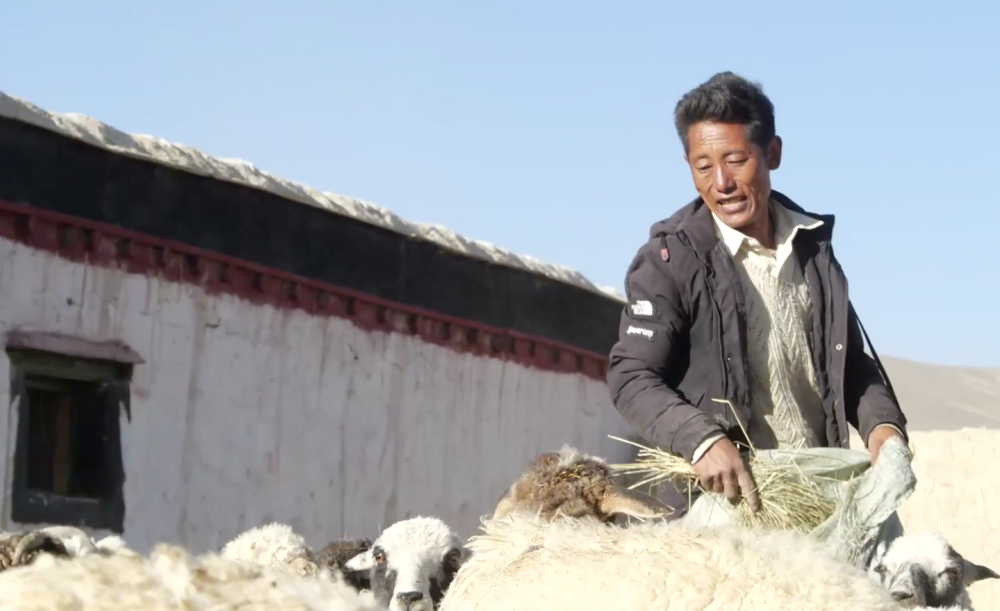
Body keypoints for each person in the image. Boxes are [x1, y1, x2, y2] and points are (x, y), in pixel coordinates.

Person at [606, 71, 908, 517]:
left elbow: (848, 366)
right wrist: (701, 439)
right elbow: (631, 376)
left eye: (736, 160)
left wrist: (883, 425)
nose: (721, 182)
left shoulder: (813, 249)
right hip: (726, 505)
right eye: (703, 167)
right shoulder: (668, 261)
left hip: (821, 496)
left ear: (773, 153)